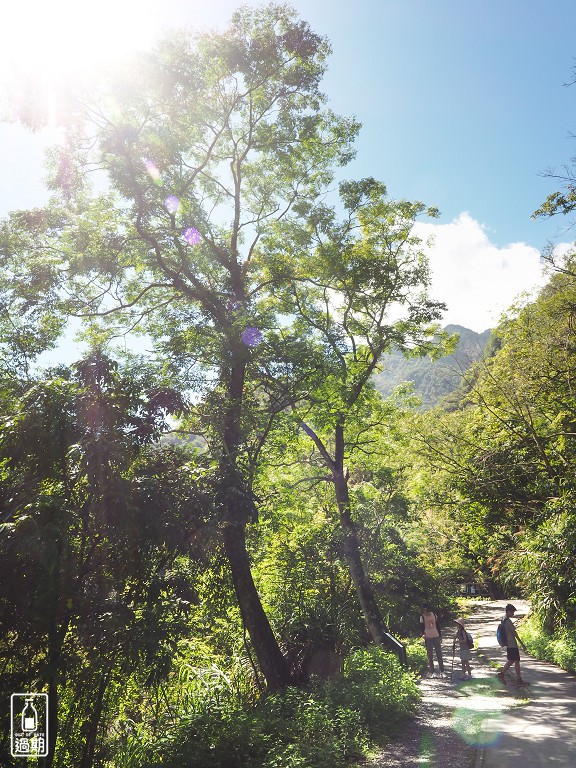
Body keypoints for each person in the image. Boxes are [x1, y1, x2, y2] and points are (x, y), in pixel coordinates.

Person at [497, 603, 529, 686]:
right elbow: (514, 633)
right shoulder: (508, 621)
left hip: (508, 644)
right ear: (508, 611)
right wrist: (522, 643)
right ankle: (516, 679)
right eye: (512, 612)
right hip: (512, 644)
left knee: (512, 660)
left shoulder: (503, 619)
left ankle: (506, 675)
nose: (513, 614)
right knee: (515, 661)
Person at [420, 605, 445, 676]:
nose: (423, 612)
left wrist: (440, 636)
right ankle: (433, 671)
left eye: (424, 610)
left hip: (436, 635)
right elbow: (421, 627)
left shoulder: (434, 615)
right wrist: (423, 634)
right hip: (428, 637)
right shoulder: (422, 617)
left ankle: (442, 671)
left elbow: (437, 625)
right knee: (430, 655)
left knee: (439, 654)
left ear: (427, 610)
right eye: (422, 610)